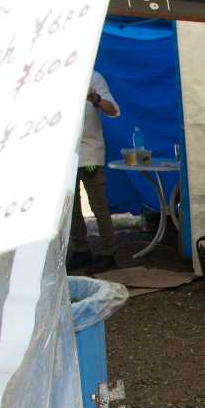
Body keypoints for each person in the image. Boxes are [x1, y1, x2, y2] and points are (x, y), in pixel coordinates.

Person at [68, 70, 121, 272]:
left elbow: (113, 110)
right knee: (70, 206)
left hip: (90, 155)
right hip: (66, 156)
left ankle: (109, 251)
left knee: (98, 204)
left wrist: (96, 99)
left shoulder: (94, 77)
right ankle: (81, 249)